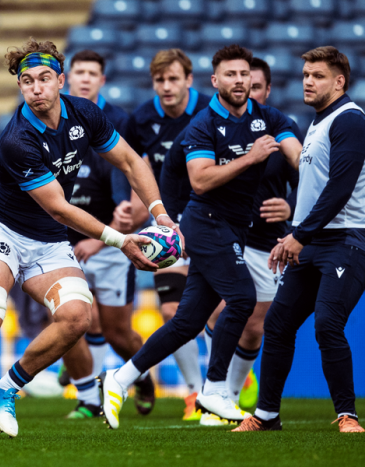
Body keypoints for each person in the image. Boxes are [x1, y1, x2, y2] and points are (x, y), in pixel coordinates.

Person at [0, 38, 180, 440]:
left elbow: (130, 161)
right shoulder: (18, 139)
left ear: (61, 81)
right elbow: (59, 208)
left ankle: (7, 387)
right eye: (27, 81)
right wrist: (121, 240)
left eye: (44, 78)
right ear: (20, 87)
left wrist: (160, 216)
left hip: (48, 240)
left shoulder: (84, 113)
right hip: (4, 232)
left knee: (76, 319)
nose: (36, 88)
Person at [101, 44, 302, 429]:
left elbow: (297, 156)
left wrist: (309, 172)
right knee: (242, 297)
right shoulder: (204, 124)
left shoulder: (269, 117)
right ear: (215, 81)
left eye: (244, 74)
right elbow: (200, 179)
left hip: (233, 228)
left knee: (187, 321)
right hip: (205, 222)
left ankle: (121, 378)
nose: (239, 81)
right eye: (230, 75)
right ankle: (214, 389)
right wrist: (250, 157)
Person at [234, 47, 365, 433]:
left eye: (318, 76)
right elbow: (313, 192)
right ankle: (266, 415)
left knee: (327, 323)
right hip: (311, 242)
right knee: (277, 325)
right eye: (306, 74)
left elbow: (340, 188)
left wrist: (299, 235)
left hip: (347, 240)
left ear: (339, 81)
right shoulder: (318, 123)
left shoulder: (350, 120)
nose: (308, 81)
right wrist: (295, 234)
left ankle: (347, 415)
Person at [203, 57, 300, 419]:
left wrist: (291, 208)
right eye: (242, 82)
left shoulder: (279, 125)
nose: (248, 90)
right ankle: (212, 392)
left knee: (254, 326)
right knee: (214, 310)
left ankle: (230, 391)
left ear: (267, 90)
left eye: (256, 85)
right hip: (225, 231)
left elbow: (305, 174)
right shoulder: (216, 127)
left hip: (267, 241)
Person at [60, 49, 155, 419]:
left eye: (92, 73)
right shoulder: (53, 116)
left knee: (118, 332)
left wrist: (120, 223)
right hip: (64, 241)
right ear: (67, 79)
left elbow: (132, 172)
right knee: (72, 319)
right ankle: (90, 398)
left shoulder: (118, 121)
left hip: (112, 239)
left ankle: (141, 374)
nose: (85, 78)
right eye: (79, 72)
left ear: (102, 80)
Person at [126, 49, 212, 421]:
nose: (166, 86)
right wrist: (127, 205)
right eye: (159, 80)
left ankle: (233, 379)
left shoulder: (211, 112)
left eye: (173, 79)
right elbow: (128, 164)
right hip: (169, 225)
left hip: (213, 222)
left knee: (219, 315)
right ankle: (196, 393)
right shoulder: (143, 118)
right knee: (172, 310)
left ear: (188, 81)